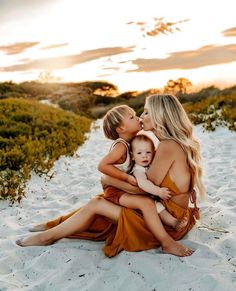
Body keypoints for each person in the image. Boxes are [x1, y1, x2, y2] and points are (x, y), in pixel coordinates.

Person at [16, 94, 204, 257]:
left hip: (169, 222)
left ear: (160, 115)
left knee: (98, 204)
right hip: (165, 213)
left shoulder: (168, 146)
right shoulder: (168, 144)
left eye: (146, 112)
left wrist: (108, 179)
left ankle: (47, 236)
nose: (141, 116)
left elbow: (143, 190)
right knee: (100, 202)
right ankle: (53, 225)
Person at [98, 105, 175, 230]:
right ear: (121, 128)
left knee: (150, 198)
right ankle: (162, 231)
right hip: (115, 191)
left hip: (121, 189)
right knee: (147, 201)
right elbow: (102, 165)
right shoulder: (121, 146)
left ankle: (164, 221)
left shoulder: (132, 142)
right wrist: (126, 177)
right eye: (132, 117)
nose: (138, 118)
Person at [129, 134, 186, 229]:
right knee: (158, 206)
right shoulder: (138, 170)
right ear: (132, 156)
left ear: (153, 152)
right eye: (139, 153)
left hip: (152, 194)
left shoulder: (151, 164)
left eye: (148, 152)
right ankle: (173, 222)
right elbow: (143, 183)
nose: (144, 156)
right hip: (142, 197)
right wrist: (158, 191)